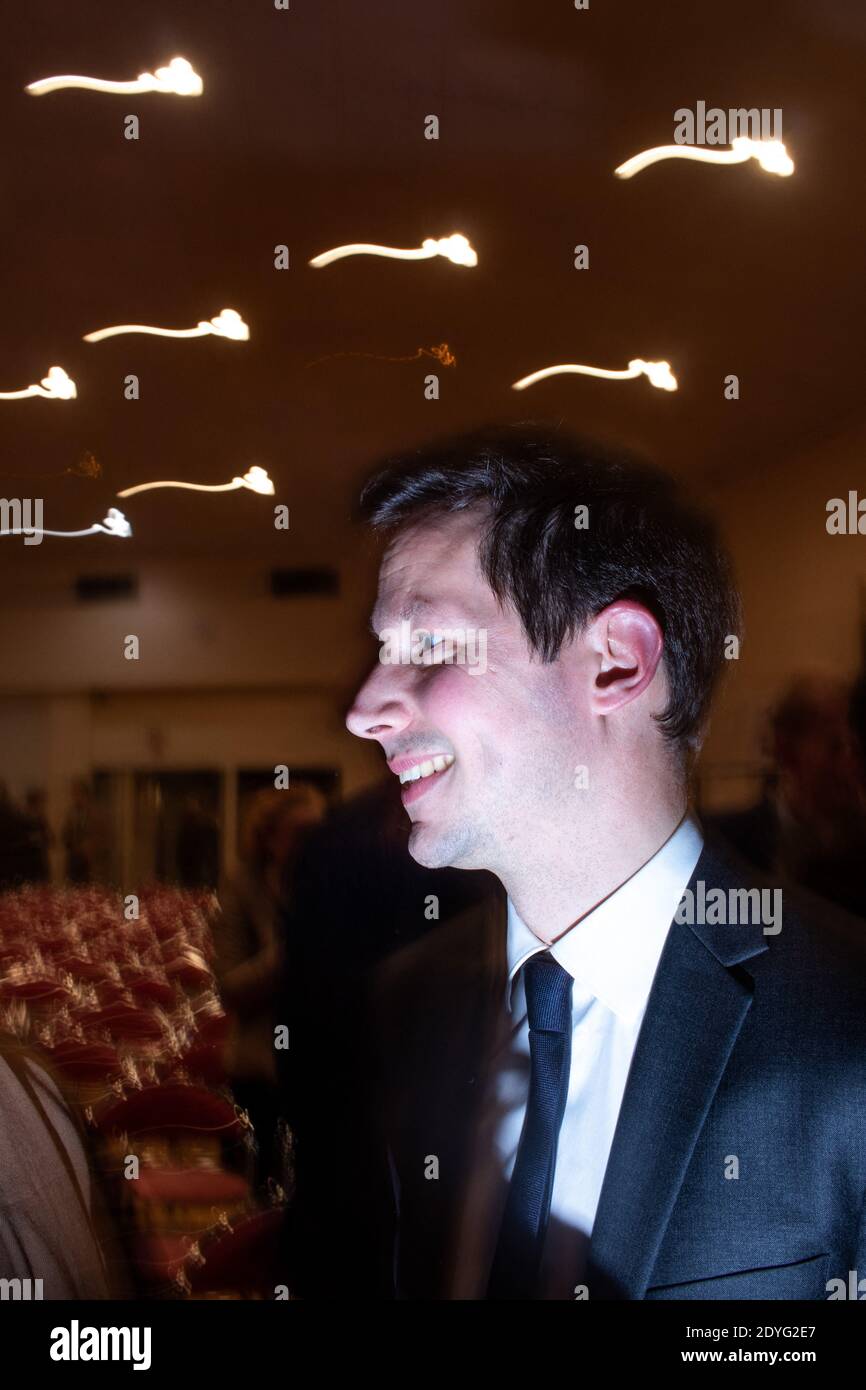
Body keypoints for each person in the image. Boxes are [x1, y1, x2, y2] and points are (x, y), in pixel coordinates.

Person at [340, 423, 866, 1300]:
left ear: (617, 661)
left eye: (429, 646)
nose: (363, 709)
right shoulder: (408, 1004)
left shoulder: (846, 1031)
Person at [212, 783, 325, 1188]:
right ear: (270, 839)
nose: (312, 845)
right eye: (300, 834)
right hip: (259, 1067)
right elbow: (230, 988)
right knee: (261, 1191)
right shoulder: (243, 886)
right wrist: (290, 950)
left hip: (322, 1068)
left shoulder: (333, 885)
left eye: (318, 833)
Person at [711, 675, 866, 917]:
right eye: (835, 746)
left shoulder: (857, 849)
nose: (849, 766)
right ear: (786, 750)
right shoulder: (723, 844)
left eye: (854, 749)